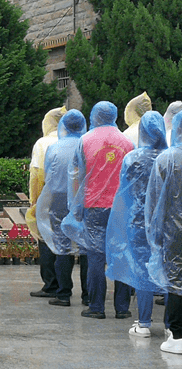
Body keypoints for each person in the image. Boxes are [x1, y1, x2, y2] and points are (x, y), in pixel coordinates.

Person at [62, 101, 134, 319]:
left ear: (94, 116)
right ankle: (122, 308)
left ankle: (96, 306)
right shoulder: (127, 142)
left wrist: (75, 206)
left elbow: (76, 175)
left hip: (94, 205)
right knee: (121, 253)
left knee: (95, 256)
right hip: (121, 206)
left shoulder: (85, 140)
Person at [105, 111, 169, 337]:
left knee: (142, 269)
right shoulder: (170, 157)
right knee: (168, 269)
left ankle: (143, 323)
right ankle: (172, 326)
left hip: (138, 221)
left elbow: (125, 192)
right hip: (166, 223)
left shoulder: (132, 158)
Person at [36, 110, 89, 307]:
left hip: (58, 201)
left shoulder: (54, 148)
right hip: (83, 201)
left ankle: (64, 293)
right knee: (85, 249)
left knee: (63, 248)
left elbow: (48, 174)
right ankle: (88, 295)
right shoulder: (88, 146)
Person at [146, 112, 182, 353]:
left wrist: (154, 232)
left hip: (173, 230)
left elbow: (154, 200)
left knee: (176, 278)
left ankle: (177, 334)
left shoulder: (166, 159)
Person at [26, 106, 66, 298]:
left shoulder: (42, 143)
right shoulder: (74, 140)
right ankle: (66, 287)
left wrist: (34, 201)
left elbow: (36, 175)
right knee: (65, 242)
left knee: (46, 240)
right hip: (71, 199)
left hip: (48, 198)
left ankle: (51, 284)